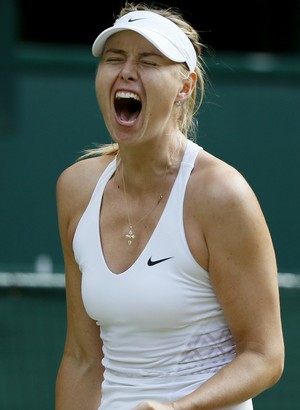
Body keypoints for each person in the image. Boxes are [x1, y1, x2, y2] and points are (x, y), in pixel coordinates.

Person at [55, 2, 285, 409]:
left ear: (185, 87)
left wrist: (179, 409)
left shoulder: (221, 194)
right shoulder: (76, 188)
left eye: (148, 61)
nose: (126, 71)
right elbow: (82, 357)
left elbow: (265, 357)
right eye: (114, 59)